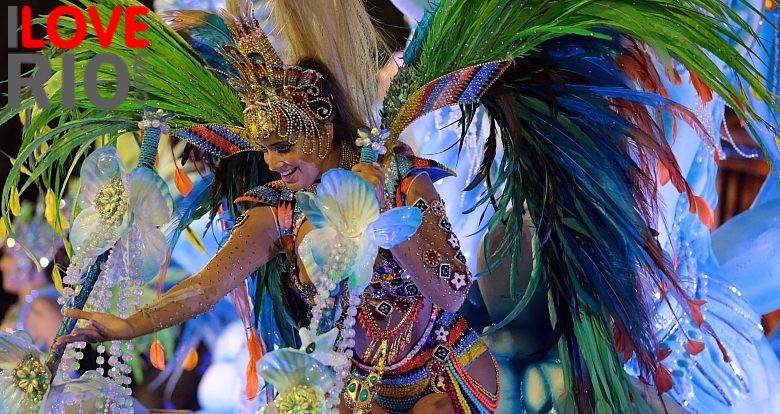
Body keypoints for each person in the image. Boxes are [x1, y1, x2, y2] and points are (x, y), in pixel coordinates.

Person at [6, 0, 778, 413]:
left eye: (287, 150)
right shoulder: (279, 208)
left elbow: (447, 288)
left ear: (322, 131)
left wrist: (384, 227)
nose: (276, 165)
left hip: (445, 367)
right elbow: (202, 287)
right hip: (361, 382)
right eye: (268, 153)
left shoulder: (403, 177)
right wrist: (121, 323)